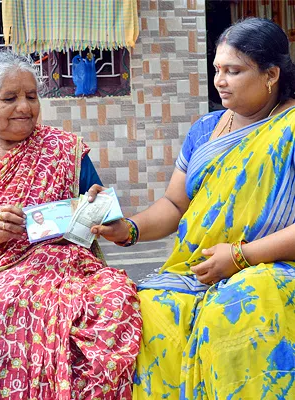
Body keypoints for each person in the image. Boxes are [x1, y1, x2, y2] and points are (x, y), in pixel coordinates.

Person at [89, 18, 295, 399]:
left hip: (272, 265)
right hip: (198, 269)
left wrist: (240, 256)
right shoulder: (206, 129)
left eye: (233, 71)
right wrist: (128, 228)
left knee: (236, 309)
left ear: (271, 75)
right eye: (217, 69)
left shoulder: (290, 128)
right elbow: (173, 204)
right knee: (148, 312)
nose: (220, 80)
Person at [0, 51, 142, 399]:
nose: (25, 107)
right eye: (9, 98)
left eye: (32, 96)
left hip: (67, 272)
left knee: (116, 297)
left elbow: (115, 226)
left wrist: (99, 212)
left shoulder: (64, 150)